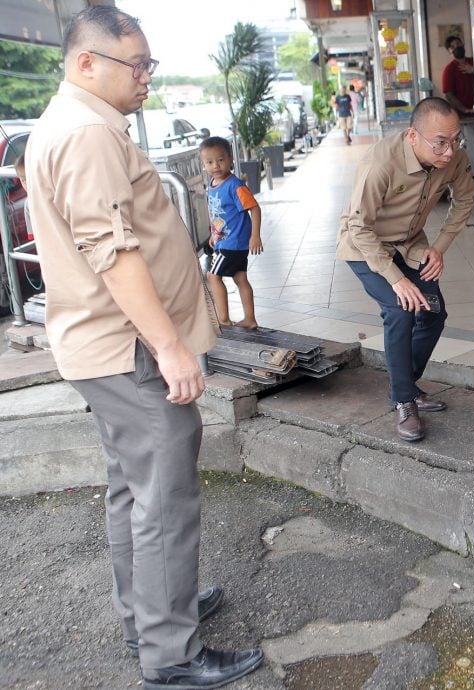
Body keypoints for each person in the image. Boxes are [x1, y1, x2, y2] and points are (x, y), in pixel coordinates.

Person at [24, 7, 263, 689]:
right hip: (128, 348)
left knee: (133, 490)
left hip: (105, 346)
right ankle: (171, 653)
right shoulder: (86, 133)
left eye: (151, 65)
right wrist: (170, 347)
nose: (147, 80)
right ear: (87, 63)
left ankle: (152, 615)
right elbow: (112, 251)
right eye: (139, 66)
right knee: (164, 498)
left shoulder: (73, 125)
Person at [336, 97, 474, 442]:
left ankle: (405, 386)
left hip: (410, 243)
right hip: (365, 246)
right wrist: (396, 279)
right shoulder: (381, 163)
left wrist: (439, 248)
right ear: (413, 136)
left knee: (433, 311)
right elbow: (359, 226)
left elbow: (465, 199)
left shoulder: (453, 156)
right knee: (401, 309)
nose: (450, 150)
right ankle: (404, 400)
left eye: (456, 139)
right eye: (440, 143)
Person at [200, 135, 262, 328]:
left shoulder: (235, 186)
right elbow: (220, 215)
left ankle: (223, 320)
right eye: (209, 162)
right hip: (224, 240)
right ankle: (250, 319)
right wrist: (213, 234)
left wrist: (255, 235)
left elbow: (255, 208)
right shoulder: (212, 185)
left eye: (221, 159)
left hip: (232, 243)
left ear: (230, 159)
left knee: (212, 276)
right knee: (240, 278)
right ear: (204, 165)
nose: (216, 165)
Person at [441, 35, 474, 115]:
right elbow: (449, 95)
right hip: (462, 115)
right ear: (449, 51)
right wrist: (466, 110)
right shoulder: (449, 70)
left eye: (458, 44)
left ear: (463, 44)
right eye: (453, 47)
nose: (457, 47)